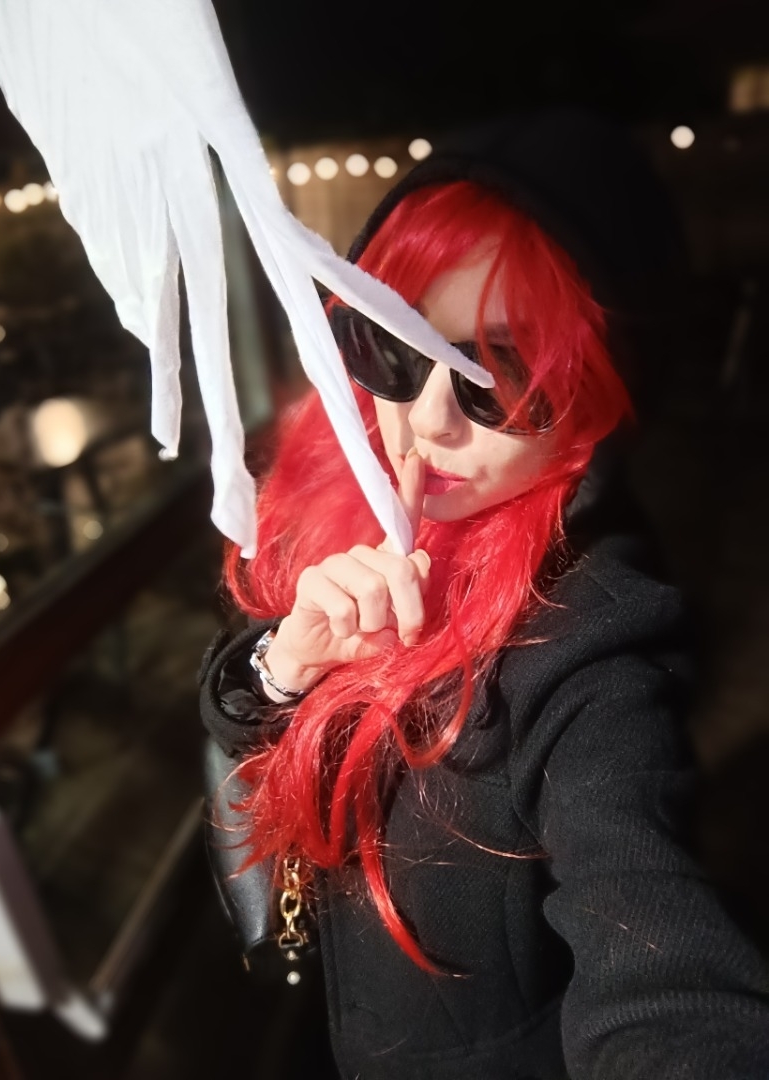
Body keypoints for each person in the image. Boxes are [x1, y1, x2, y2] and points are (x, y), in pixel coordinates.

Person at [199, 110, 769, 1080]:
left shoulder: (590, 642)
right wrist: (282, 666)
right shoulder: (354, 497)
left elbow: (659, 960)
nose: (426, 421)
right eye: (394, 346)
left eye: (500, 376)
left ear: (600, 392)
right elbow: (232, 701)